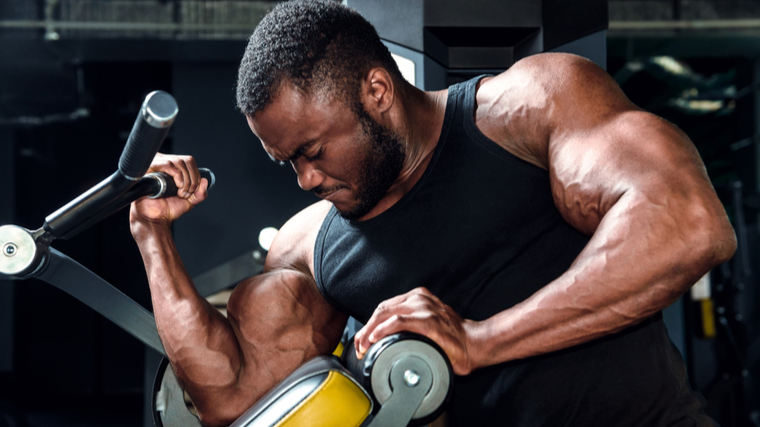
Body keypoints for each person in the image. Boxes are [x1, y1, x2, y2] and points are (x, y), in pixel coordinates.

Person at [129, 1, 737, 426]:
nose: (307, 180)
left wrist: (479, 341)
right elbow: (228, 398)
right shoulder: (308, 247)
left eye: (313, 152)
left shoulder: (523, 111)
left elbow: (689, 224)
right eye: (287, 164)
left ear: (377, 91)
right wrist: (152, 235)